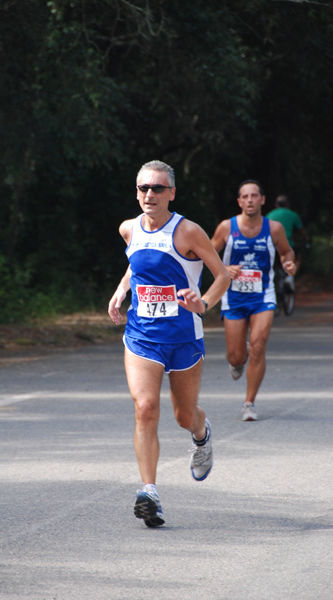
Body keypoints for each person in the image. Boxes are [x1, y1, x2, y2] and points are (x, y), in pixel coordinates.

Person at [108, 160, 230, 528]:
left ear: (171, 193)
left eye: (158, 188)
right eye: (143, 188)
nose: (150, 194)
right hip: (142, 334)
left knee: (183, 416)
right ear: (137, 192)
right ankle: (149, 492)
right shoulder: (128, 229)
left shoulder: (188, 231)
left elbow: (222, 274)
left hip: (183, 338)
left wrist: (204, 303)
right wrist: (121, 290)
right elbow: (137, 263)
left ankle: (201, 432)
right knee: (145, 408)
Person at [211, 180, 297, 422]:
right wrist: (224, 268)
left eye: (254, 196)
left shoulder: (275, 228)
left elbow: (286, 251)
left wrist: (288, 262)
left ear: (262, 199)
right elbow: (206, 253)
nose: (250, 200)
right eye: (245, 196)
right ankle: (238, 362)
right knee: (236, 355)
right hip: (234, 297)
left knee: (258, 345)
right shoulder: (226, 228)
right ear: (239, 201)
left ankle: (249, 403)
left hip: (263, 296)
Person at [266, 194, 309, 288]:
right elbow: (302, 231)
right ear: (287, 204)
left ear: (276, 205)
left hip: (271, 246)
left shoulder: (269, 215)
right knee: (297, 258)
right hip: (287, 244)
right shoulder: (293, 214)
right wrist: (306, 240)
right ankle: (290, 276)